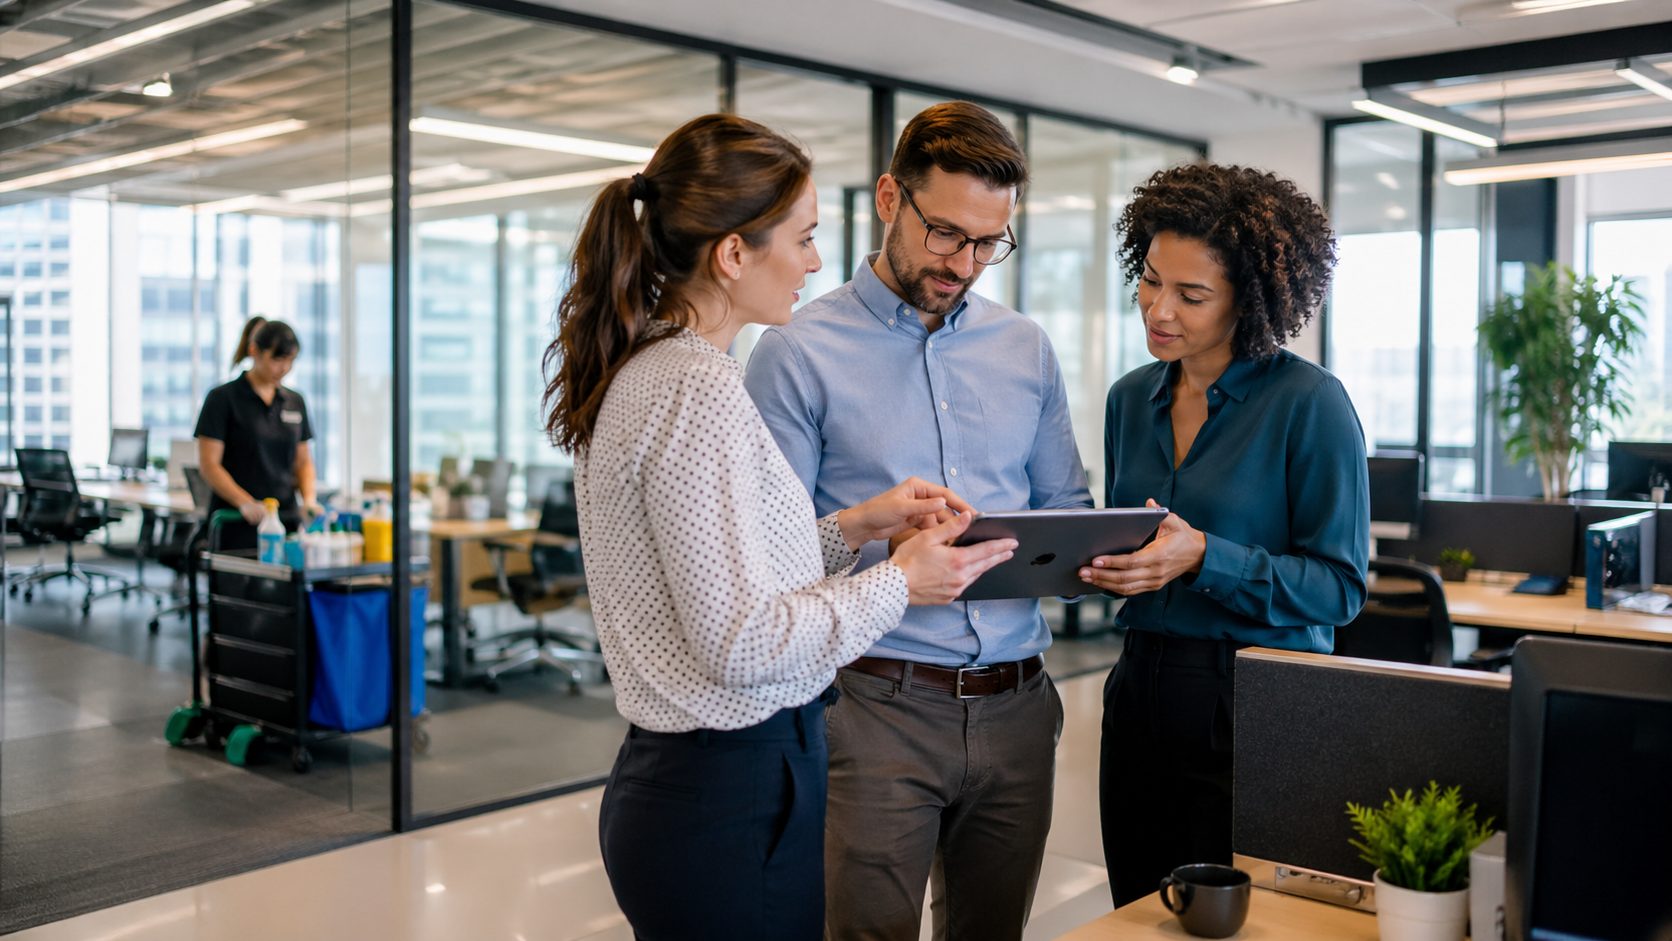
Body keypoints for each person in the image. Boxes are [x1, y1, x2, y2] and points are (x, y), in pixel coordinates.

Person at [544, 113, 1018, 941]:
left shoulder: (660, 365)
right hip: (727, 791)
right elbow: (743, 640)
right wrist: (901, 582)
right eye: (801, 238)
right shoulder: (696, 390)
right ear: (733, 255)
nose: (813, 261)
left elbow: (725, 570)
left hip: (697, 785)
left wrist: (856, 527)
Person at [744, 101, 1092, 940]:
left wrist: (1107, 549)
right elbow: (773, 561)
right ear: (891, 197)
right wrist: (887, 561)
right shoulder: (796, 350)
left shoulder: (1026, 348)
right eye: (946, 233)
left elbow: (1066, 511)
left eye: (987, 243)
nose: (964, 262)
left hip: (1019, 705)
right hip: (875, 707)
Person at [1080, 163, 1370, 907]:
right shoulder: (1127, 400)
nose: (1158, 308)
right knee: (1138, 910)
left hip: (1253, 699)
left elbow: (1338, 588)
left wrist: (1207, 556)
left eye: (1191, 294)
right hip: (1141, 686)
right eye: (1149, 280)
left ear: (1252, 299)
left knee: (1239, 920)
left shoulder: (1311, 404)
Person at [194, 317, 322, 550]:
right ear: (254, 351)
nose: (284, 368)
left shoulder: (295, 401)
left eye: (290, 361)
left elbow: (303, 461)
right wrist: (245, 503)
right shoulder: (222, 399)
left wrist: (309, 500)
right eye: (277, 359)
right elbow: (209, 464)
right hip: (237, 521)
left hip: (284, 520)